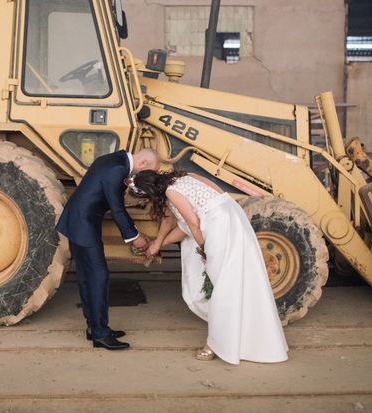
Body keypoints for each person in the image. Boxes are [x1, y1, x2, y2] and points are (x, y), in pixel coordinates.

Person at [132, 169, 288, 364]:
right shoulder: (183, 177)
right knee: (238, 279)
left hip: (218, 226)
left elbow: (194, 224)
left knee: (221, 287)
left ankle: (215, 344)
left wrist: (205, 250)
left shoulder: (171, 193)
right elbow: (183, 224)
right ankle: (243, 337)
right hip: (233, 218)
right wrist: (157, 244)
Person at [57, 149, 161, 350]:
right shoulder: (117, 169)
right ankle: (100, 334)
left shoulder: (115, 158)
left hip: (80, 220)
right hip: (83, 224)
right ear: (143, 163)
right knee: (98, 276)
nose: (150, 177)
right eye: (151, 172)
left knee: (87, 276)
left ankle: (94, 326)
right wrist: (135, 237)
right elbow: (117, 209)